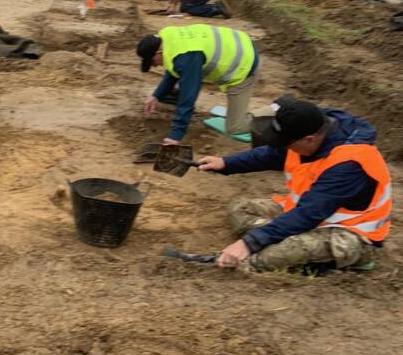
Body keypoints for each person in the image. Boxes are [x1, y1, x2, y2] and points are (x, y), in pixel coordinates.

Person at [197, 96, 392, 272]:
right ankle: (284, 237)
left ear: (309, 140)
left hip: (350, 233)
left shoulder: (348, 164)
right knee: (239, 208)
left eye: (286, 144)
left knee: (276, 254)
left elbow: (309, 213)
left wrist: (248, 244)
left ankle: (353, 258)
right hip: (307, 215)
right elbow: (270, 154)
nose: (283, 148)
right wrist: (225, 163)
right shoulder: (307, 131)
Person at [137, 24, 258, 143]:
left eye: (152, 61)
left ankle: (273, 112)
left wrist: (176, 135)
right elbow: (173, 71)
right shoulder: (168, 39)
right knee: (172, 93)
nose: (155, 65)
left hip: (244, 63)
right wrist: (156, 96)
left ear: (159, 52)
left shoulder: (186, 58)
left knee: (235, 128)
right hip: (238, 43)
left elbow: (188, 97)